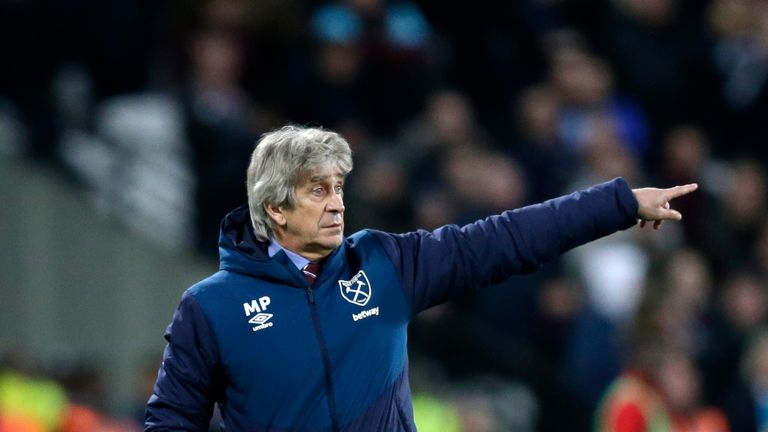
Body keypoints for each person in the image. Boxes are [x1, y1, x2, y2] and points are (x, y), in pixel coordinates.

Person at [144, 125, 697, 431]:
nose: (337, 204)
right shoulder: (210, 308)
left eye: (338, 187)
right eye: (318, 190)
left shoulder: (384, 264)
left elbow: (503, 239)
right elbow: (171, 424)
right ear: (275, 208)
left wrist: (618, 204)